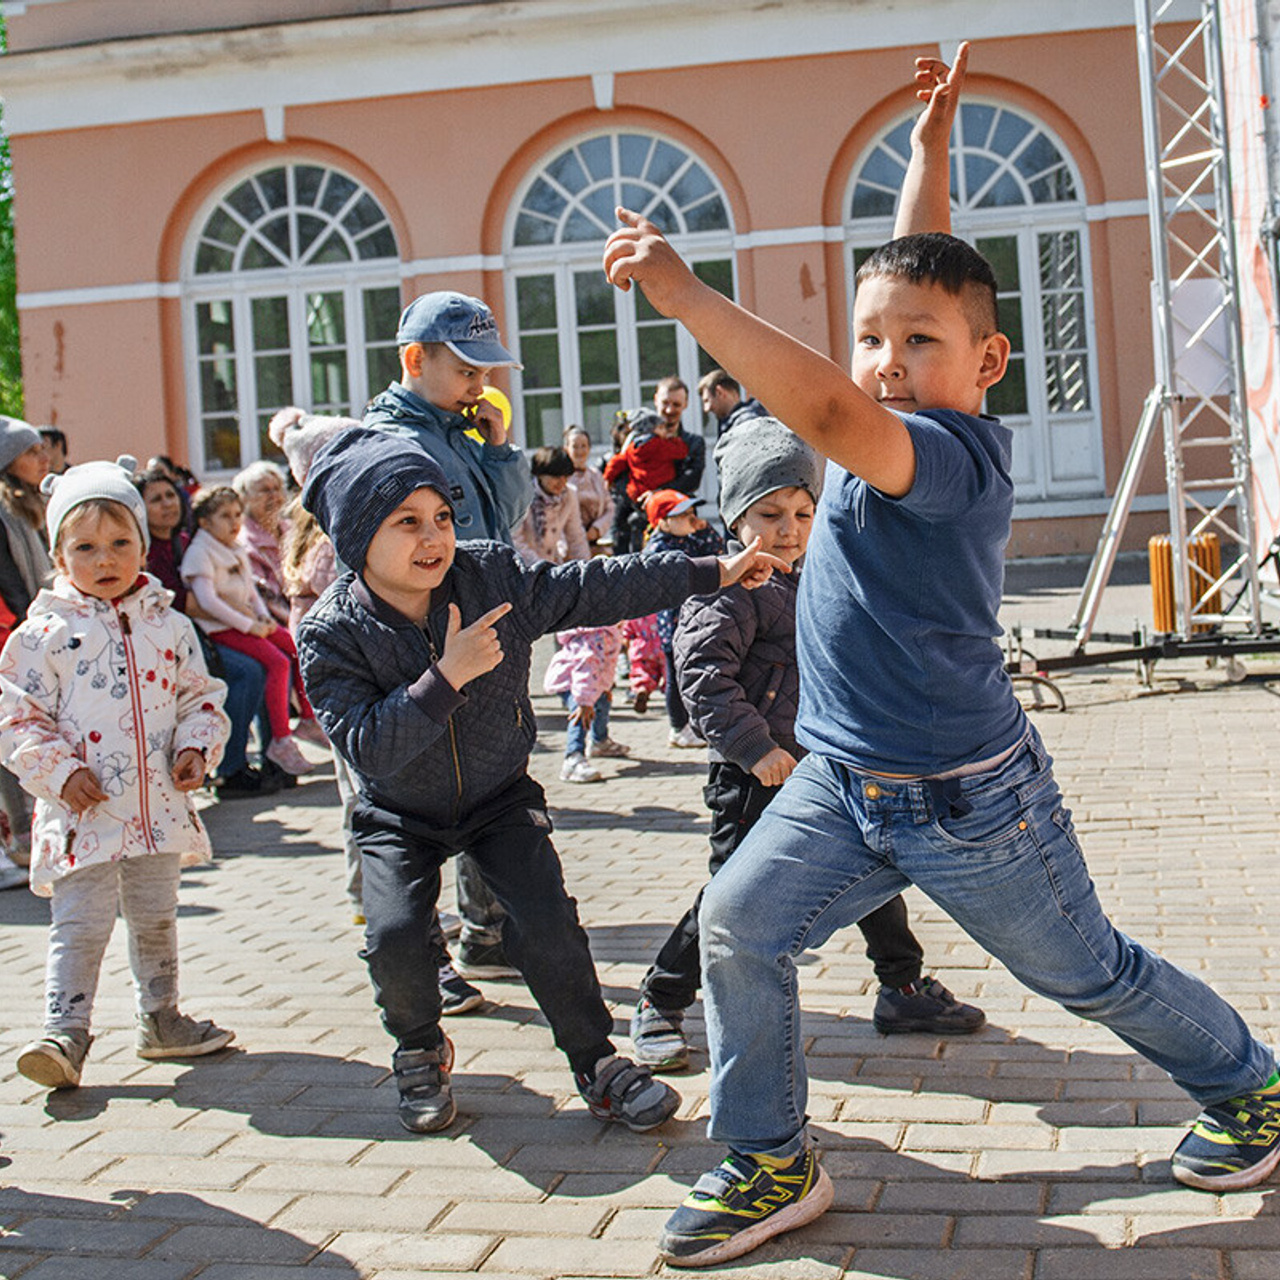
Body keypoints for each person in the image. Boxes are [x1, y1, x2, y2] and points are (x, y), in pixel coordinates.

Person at [604, 44, 1280, 1267]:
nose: (884, 358)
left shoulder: (950, 460)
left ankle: (1248, 1083)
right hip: (838, 779)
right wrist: (928, 149)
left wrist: (688, 297)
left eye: (918, 345)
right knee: (739, 931)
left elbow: (824, 409)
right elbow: (917, 283)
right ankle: (766, 1155)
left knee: (1088, 973)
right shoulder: (904, 399)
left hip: (974, 806)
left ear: (984, 367)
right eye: (869, 339)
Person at [295, 427, 785, 1135]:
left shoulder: (489, 574)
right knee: (398, 935)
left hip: (497, 796)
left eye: (440, 517)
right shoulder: (331, 631)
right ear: (355, 535)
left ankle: (598, 1061)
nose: (433, 537)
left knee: (549, 926)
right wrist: (447, 677)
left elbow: (591, 587)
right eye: (406, 523)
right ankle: (419, 1048)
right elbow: (369, 748)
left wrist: (714, 570)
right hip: (398, 810)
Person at [631, 417, 983, 1073]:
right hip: (755, 779)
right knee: (732, 897)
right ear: (737, 518)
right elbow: (704, 678)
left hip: (828, 766)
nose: (789, 527)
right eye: (770, 513)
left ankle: (902, 987)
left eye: (801, 511)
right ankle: (661, 997)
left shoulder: (816, 574)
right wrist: (754, 747)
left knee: (874, 875)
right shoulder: (729, 589)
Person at [0, 458, 233, 1089]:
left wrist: (195, 748)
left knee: (156, 914)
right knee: (80, 925)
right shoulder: (41, 634)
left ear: (141, 543)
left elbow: (200, 698)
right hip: (83, 816)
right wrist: (58, 771)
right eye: (86, 547)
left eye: (120, 542)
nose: (106, 559)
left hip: (156, 808)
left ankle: (161, 1017)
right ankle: (64, 1032)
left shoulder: (169, 625)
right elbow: (17, 717)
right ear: (57, 553)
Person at [270, 406, 483, 1015]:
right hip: (359, 705)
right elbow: (314, 628)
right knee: (372, 816)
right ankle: (410, 944)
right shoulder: (331, 547)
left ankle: (409, 934)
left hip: (406, 698)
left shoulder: (377, 534)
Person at [364, 290, 531, 977]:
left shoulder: (460, 430)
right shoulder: (390, 439)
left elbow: (506, 519)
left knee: (486, 774)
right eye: (466, 370)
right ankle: (420, 953)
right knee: (418, 790)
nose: (480, 385)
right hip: (423, 633)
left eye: (486, 371)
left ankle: (487, 931)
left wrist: (499, 450)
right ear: (415, 359)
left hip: (478, 616)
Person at [136, 464, 270, 800]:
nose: (167, 504)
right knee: (245, 672)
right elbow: (187, 602)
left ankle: (255, 758)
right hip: (163, 645)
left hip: (201, 635)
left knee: (264, 665)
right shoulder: (144, 549)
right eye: (156, 499)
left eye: (171, 495)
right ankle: (228, 768)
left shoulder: (185, 540)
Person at [181, 486, 322, 777]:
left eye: (236, 514)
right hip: (222, 629)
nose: (234, 522)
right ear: (205, 522)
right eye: (224, 516)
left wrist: (262, 617)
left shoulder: (233, 547)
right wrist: (250, 626)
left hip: (248, 623)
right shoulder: (200, 552)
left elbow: (251, 592)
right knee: (277, 662)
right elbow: (208, 601)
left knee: (294, 647)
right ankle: (280, 740)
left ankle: (308, 719)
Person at [0, 418, 51, 886]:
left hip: (33, 629)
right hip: (14, 634)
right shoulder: (2, 512)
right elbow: (12, 581)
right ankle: (19, 835)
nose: (44, 458)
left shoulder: (31, 506)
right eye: (32, 451)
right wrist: (28, 624)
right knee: (10, 740)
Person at [640, 489, 723, 748]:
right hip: (673, 626)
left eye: (691, 513)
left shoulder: (692, 539)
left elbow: (717, 552)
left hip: (697, 621)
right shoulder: (658, 548)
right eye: (682, 515)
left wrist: (705, 529)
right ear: (662, 521)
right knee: (675, 679)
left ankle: (694, 723)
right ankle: (678, 726)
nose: (691, 518)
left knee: (695, 674)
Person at [603, 408, 688, 556]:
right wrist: (674, 439)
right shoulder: (661, 445)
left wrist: (608, 478)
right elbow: (682, 451)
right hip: (658, 492)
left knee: (632, 526)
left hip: (636, 494)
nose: (665, 430)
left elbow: (617, 461)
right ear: (652, 429)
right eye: (661, 427)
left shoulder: (632, 448)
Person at [234, 461, 292, 627]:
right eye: (265, 490)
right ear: (244, 498)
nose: (274, 496)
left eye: (277, 488)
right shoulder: (245, 544)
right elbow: (267, 600)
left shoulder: (293, 530)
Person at [512, 447, 589, 566]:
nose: (562, 483)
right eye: (556, 477)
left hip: (553, 565)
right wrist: (541, 567)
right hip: (525, 567)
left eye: (565, 477)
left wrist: (586, 568)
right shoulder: (523, 495)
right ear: (540, 475)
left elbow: (576, 537)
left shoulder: (569, 495)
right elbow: (516, 540)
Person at [563, 425, 613, 552]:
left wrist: (597, 529)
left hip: (596, 542)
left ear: (589, 448)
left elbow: (609, 507)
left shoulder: (596, 476)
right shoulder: (562, 479)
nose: (580, 451)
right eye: (575, 446)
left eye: (583, 446)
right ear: (566, 449)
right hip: (569, 546)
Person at [654, 376, 705, 496]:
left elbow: (692, 481)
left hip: (681, 509)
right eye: (665, 403)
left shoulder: (694, 443)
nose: (669, 410)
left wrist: (658, 493)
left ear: (685, 404)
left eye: (676, 404)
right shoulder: (638, 438)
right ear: (656, 400)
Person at [697, 369, 768, 438]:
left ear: (719, 392)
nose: (706, 409)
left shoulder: (747, 424)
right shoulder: (733, 423)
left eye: (707, 401)